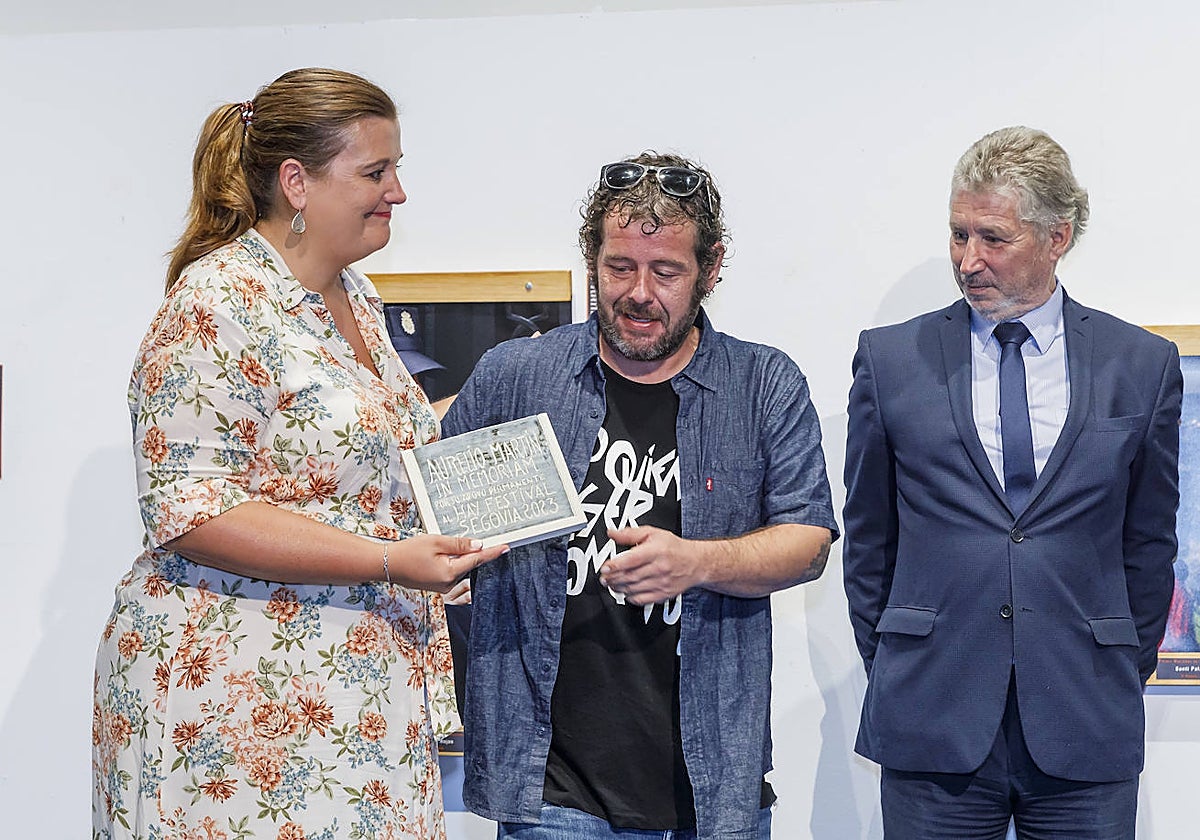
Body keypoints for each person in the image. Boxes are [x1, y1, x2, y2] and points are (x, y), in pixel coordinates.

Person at [91, 67, 506, 840]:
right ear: (297, 182)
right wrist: (389, 560)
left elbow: (364, 455)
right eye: (375, 172)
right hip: (236, 707)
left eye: (396, 170)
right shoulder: (215, 305)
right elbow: (188, 511)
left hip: (352, 692)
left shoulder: (357, 297)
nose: (398, 193)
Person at [442, 152, 839, 839]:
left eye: (667, 272)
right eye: (620, 267)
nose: (638, 293)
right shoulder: (516, 375)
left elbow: (807, 544)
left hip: (712, 785)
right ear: (592, 261)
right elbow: (434, 513)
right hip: (550, 789)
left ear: (710, 269)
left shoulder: (763, 384)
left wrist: (698, 563)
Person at [842, 126, 1182, 838]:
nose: (969, 260)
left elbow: (1148, 545)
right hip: (932, 719)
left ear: (1057, 237)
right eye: (959, 235)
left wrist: (1118, 660)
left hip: (1084, 720)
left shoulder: (1141, 363)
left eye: (993, 238)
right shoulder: (892, 359)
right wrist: (904, 659)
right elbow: (869, 540)